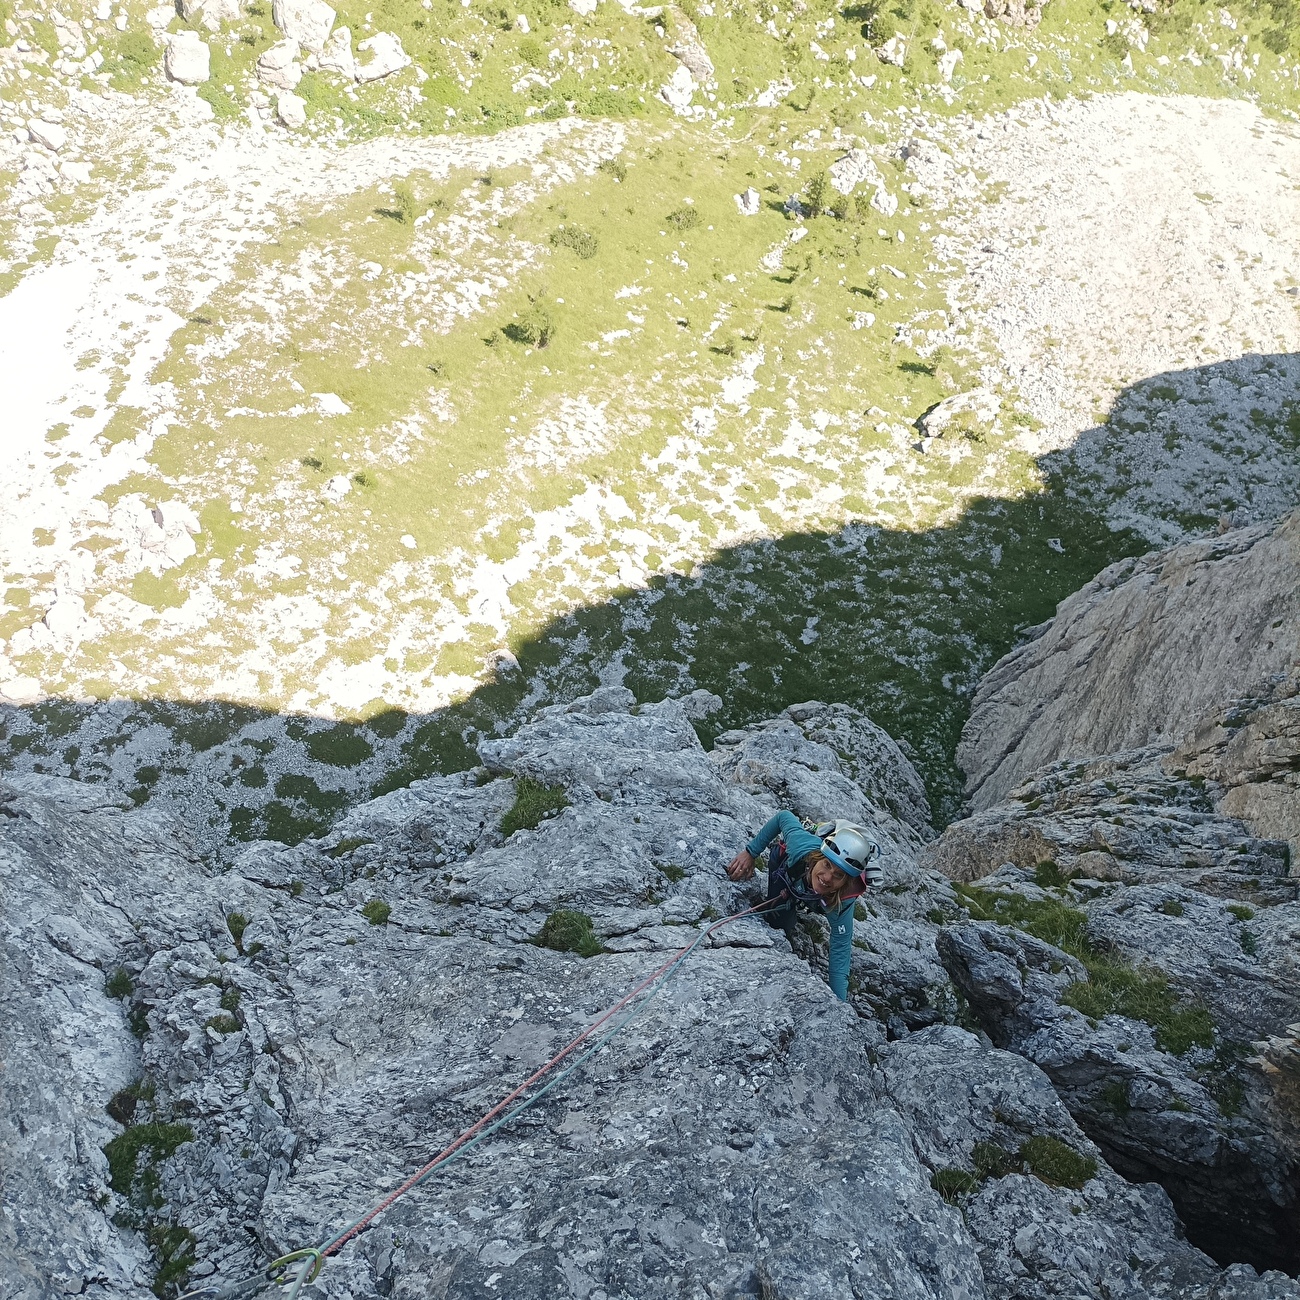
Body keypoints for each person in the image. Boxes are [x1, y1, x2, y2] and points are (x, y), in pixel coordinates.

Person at [726, 812, 882, 1002]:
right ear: (818, 858)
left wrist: (839, 1005)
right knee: (780, 922)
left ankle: (797, 899)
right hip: (786, 870)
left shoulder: (842, 901)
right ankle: (790, 901)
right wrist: (751, 852)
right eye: (826, 865)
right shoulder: (803, 847)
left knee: (786, 918)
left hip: (812, 891)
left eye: (838, 875)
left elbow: (840, 954)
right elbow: (783, 817)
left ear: (846, 882)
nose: (827, 877)